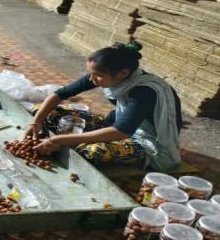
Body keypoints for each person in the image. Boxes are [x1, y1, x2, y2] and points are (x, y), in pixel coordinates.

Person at [27, 42, 183, 172]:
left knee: (94, 151)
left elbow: (120, 132)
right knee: (46, 111)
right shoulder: (101, 74)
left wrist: (59, 140)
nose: (91, 79)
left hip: (145, 139)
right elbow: (59, 94)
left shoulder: (144, 91)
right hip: (117, 124)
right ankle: (60, 142)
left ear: (123, 73)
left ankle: (60, 144)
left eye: (97, 76)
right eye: (90, 73)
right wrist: (36, 122)